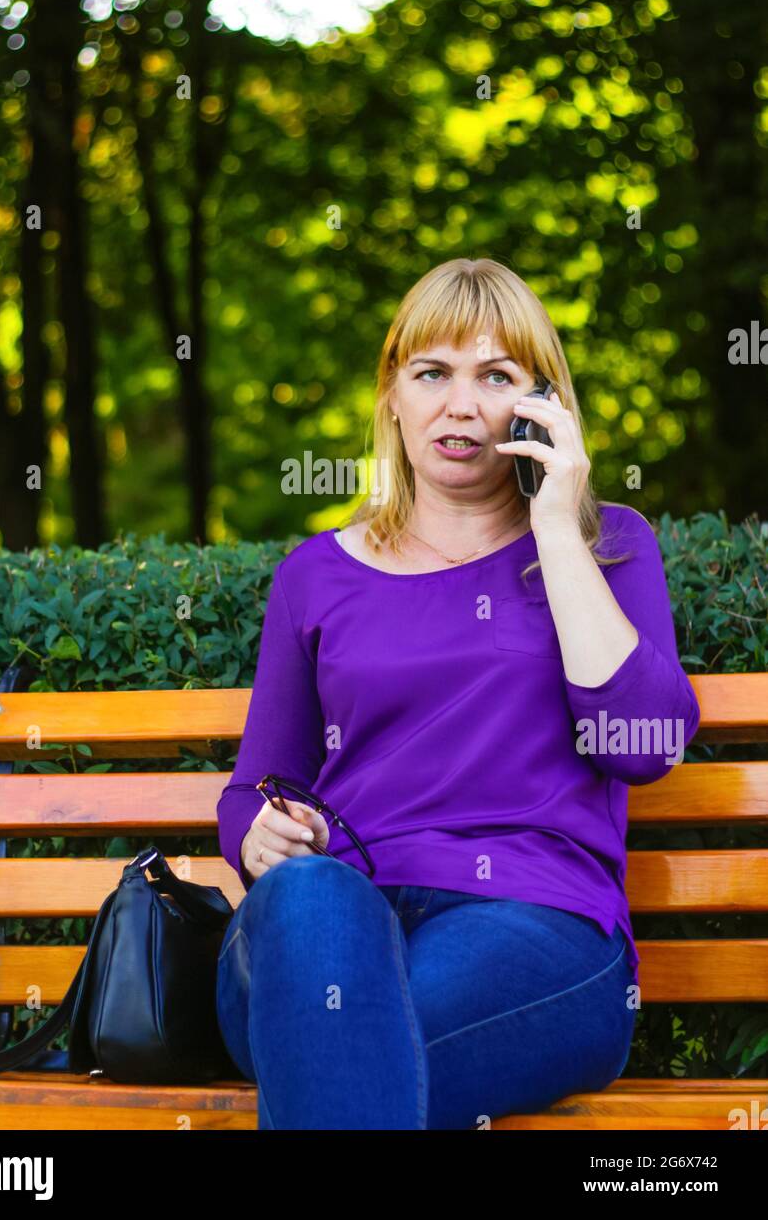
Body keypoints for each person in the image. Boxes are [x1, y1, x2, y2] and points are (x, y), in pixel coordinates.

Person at [215, 256, 701, 1130]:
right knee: (311, 902)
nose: (462, 405)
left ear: (540, 405)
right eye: (432, 373)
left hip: (535, 930)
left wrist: (556, 527)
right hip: (327, 926)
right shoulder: (314, 576)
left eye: (497, 377)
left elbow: (641, 744)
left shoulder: (609, 547)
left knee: (344, 1048)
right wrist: (256, 836)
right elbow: (259, 785)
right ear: (392, 395)